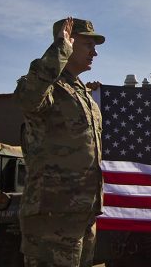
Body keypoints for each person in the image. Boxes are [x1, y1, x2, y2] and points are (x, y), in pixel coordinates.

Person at [14, 17, 105, 267]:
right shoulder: (48, 86)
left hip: (82, 213)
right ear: (69, 42)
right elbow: (29, 99)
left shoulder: (82, 93)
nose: (94, 52)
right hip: (53, 214)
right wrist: (59, 50)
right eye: (88, 45)